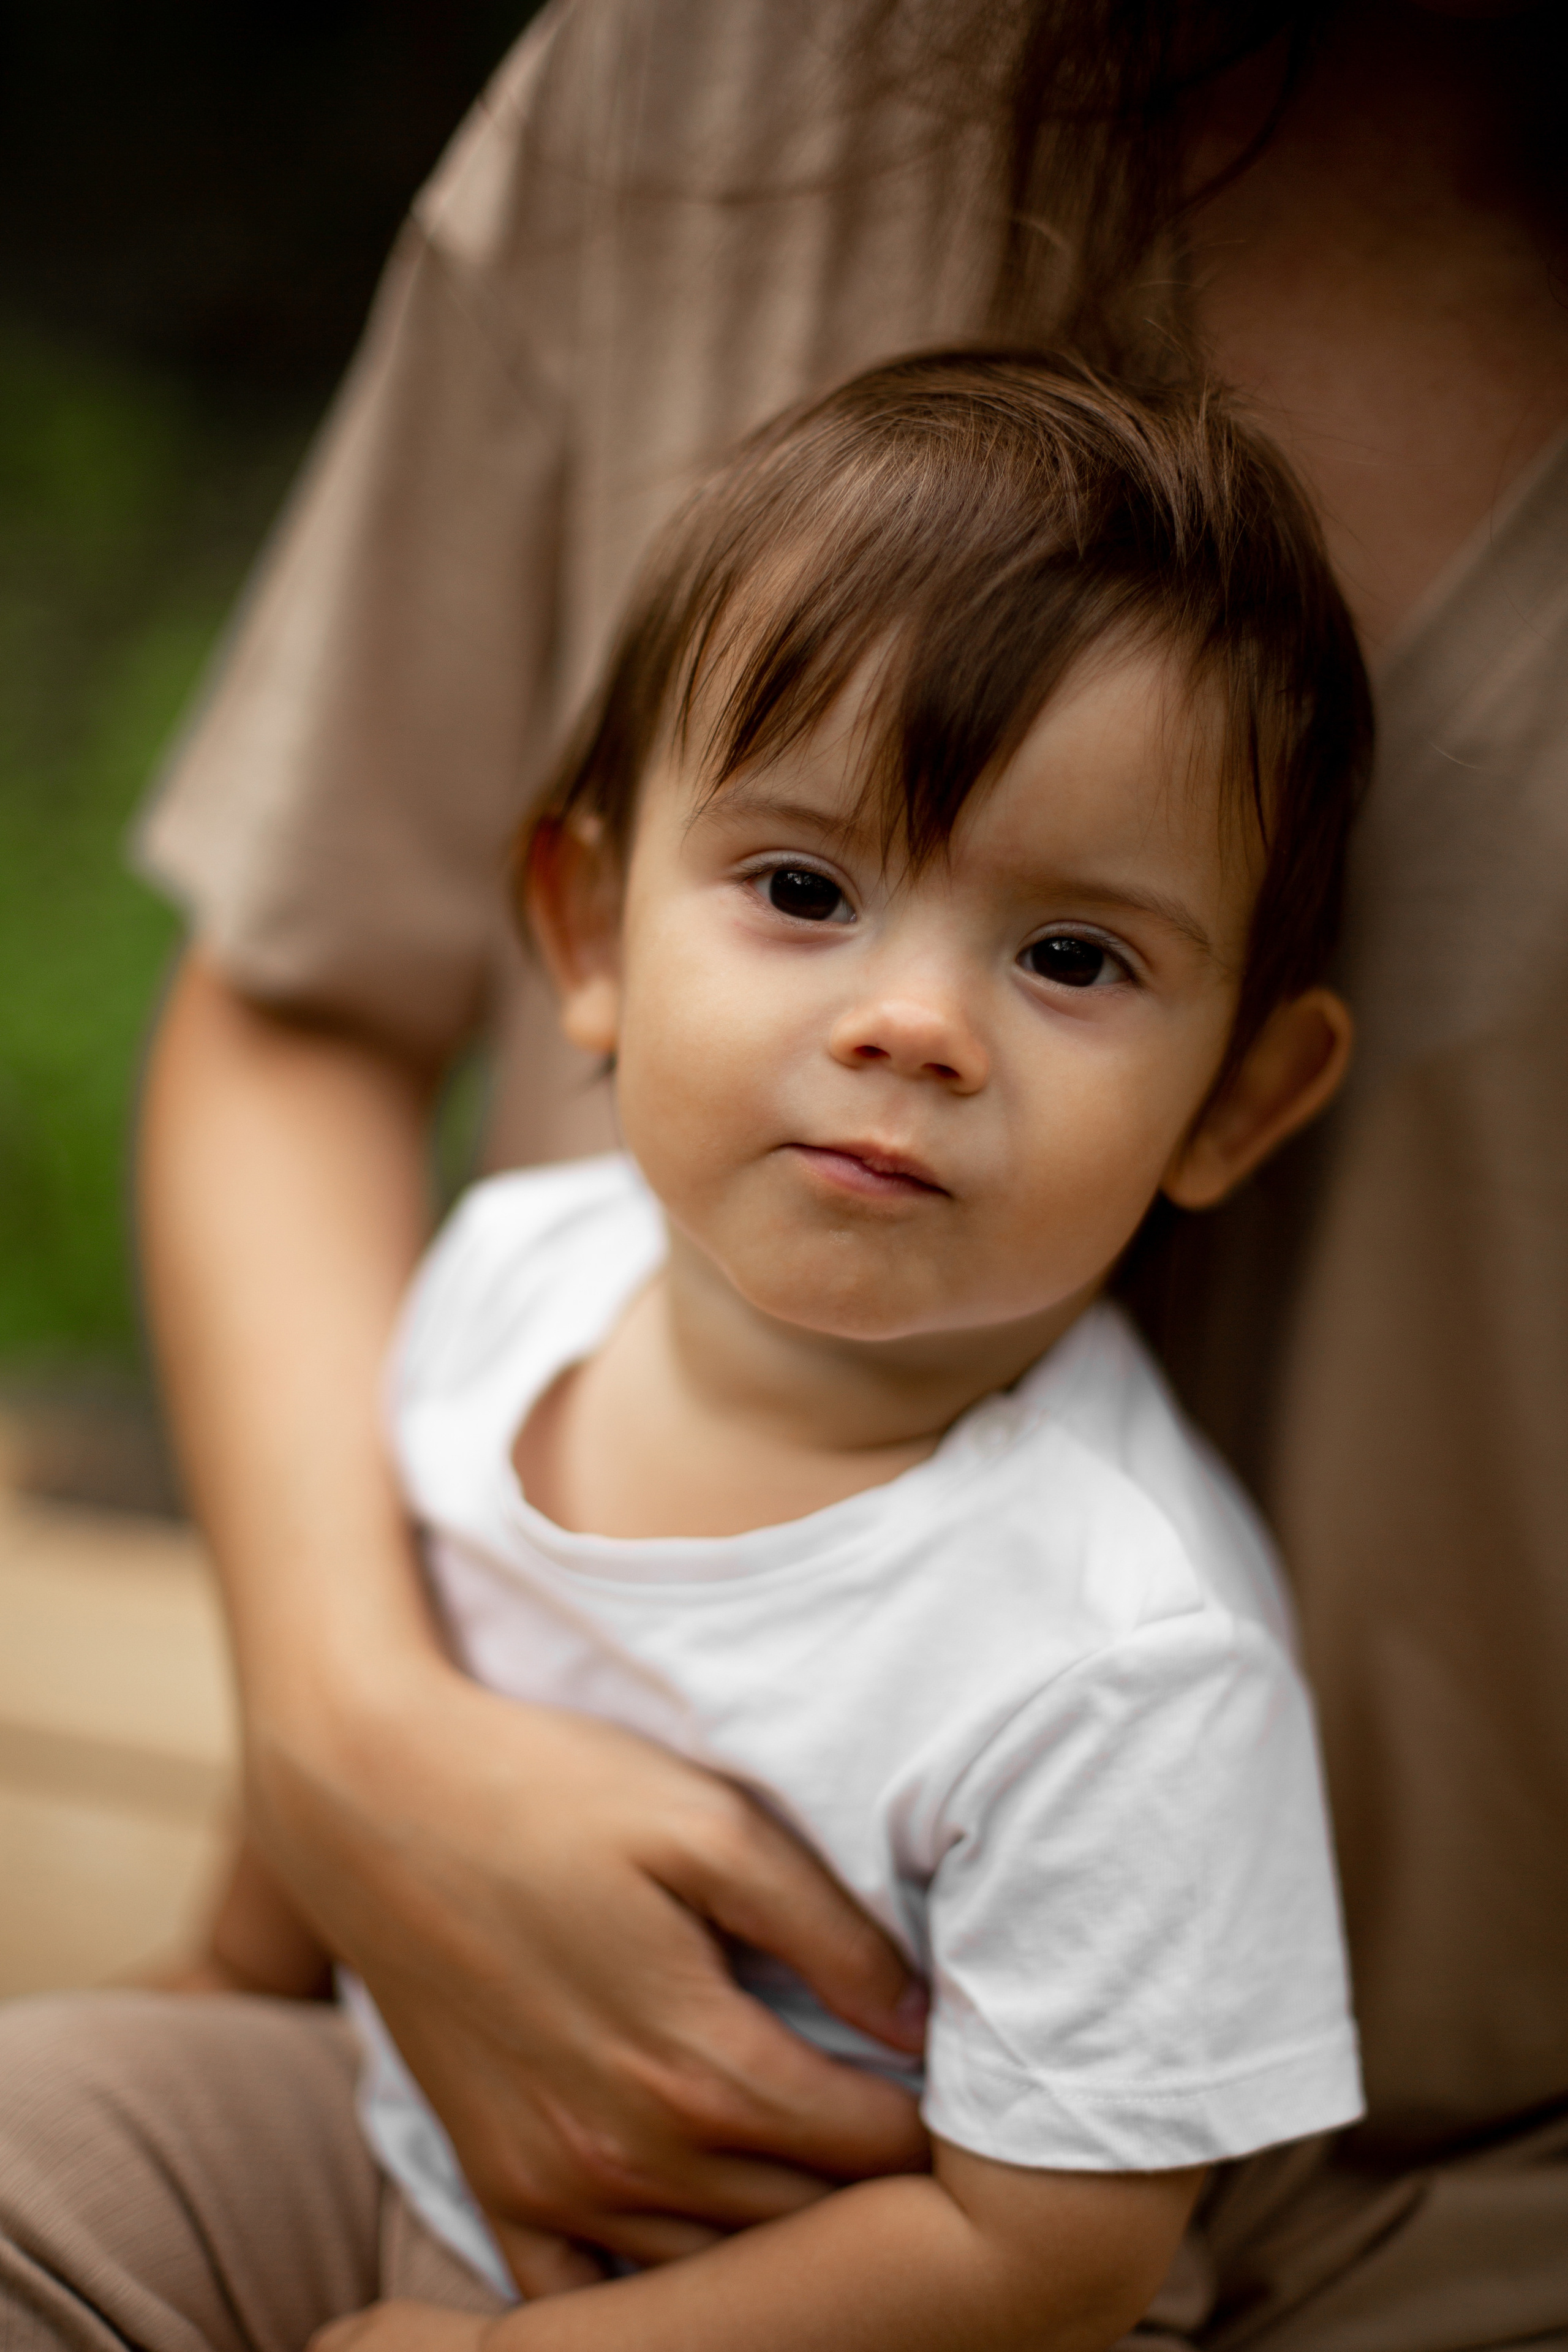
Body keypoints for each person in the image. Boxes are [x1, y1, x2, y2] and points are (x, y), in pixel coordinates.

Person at [51, 0, 1568, 2337]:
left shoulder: (1118, 1659)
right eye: (801, 892)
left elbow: (1053, 2258)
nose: (910, 1022)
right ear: (580, 929)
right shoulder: (509, 1285)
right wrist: (202, 2010)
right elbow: (341, 1768)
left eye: (1068, 956)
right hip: (386, 2147)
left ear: (1242, 1105)